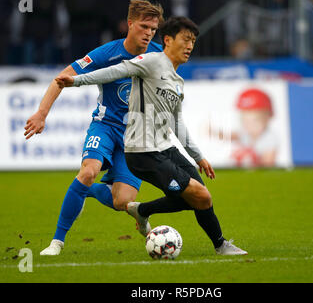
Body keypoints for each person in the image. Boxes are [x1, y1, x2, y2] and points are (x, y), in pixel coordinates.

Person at [56, 16, 247, 255]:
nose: (190, 46)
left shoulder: (177, 81)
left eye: (193, 41)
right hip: (143, 151)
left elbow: (177, 123)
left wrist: (198, 157)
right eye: (185, 39)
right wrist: (76, 81)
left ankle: (143, 210)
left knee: (200, 198)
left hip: (165, 147)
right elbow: (114, 71)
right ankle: (220, 246)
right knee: (199, 194)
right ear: (167, 40)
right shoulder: (151, 61)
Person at [24, 0, 164, 256]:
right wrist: (41, 114)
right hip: (106, 127)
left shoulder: (158, 56)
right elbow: (62, 79)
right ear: (130, 24)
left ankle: (86, 191)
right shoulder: (106, 54)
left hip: (136, 137)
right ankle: (57, 242)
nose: (149, 33)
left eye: (153, 29)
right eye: (144, 26)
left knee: (122, 201)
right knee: (89, 171)